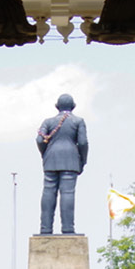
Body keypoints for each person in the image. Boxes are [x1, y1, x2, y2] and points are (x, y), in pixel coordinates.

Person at [37, 92, 88, 235]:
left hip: (51, 159)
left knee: (48, 192)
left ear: (56, 107)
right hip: (71, 159)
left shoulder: (48, 122)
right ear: (74, 107)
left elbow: (40, 140)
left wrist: (45, 154)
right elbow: (83, 142)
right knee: (67, 193)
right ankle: (68, 229)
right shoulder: (78, 121)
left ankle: (45, 229)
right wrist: (82, 160)